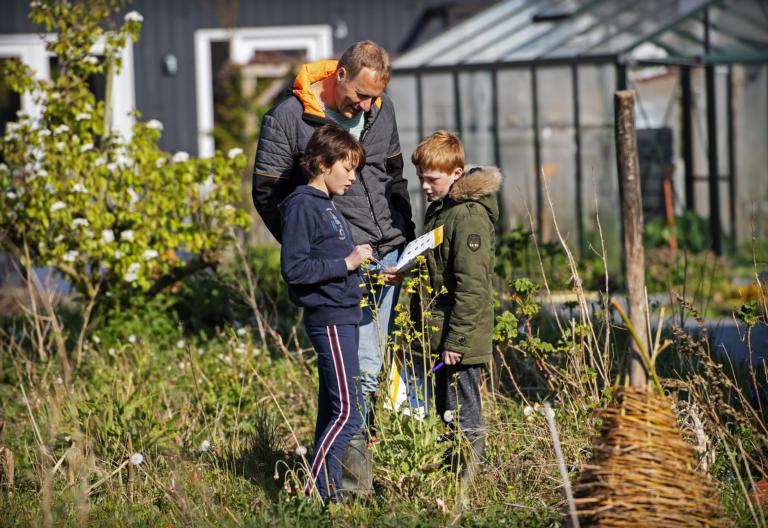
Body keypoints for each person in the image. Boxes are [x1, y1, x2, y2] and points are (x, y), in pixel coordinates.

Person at [253, 40, 415, 492]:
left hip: (388, 256)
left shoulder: (382, 111)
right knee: (359, 372)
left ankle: (331, 481)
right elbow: (267, 194)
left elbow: (395, 178)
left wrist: (403, 237)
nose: (366, 105)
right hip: (344, 266)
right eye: (360, 96)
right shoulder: (288, 118)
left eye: (374, 98)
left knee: (362, 372)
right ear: (340, 74)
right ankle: (348, 486)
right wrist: (315, 254)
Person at [279, 124, 371, 502]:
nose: (352, 178)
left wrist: (371, 271)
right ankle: (318, 492)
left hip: (344, 314)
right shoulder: (303, 205)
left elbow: (332, 261)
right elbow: (295, 269)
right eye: (346, 169)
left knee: (334, 410)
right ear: (321, 164)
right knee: (350, 411)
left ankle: (326, 494)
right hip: (329, 319)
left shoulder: (327, 206)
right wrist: (348, 263)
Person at [409, 131, 500, 490]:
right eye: (422, 179)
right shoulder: (443, 210)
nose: (426, 187)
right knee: (446, 413)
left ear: (457, 173)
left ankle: (466, 487)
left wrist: (457, 340)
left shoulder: (468, 218)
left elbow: (472, 286)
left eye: (432, 179)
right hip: (440, 333)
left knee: (464, 415)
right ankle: (449, 482)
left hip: (457, 340)